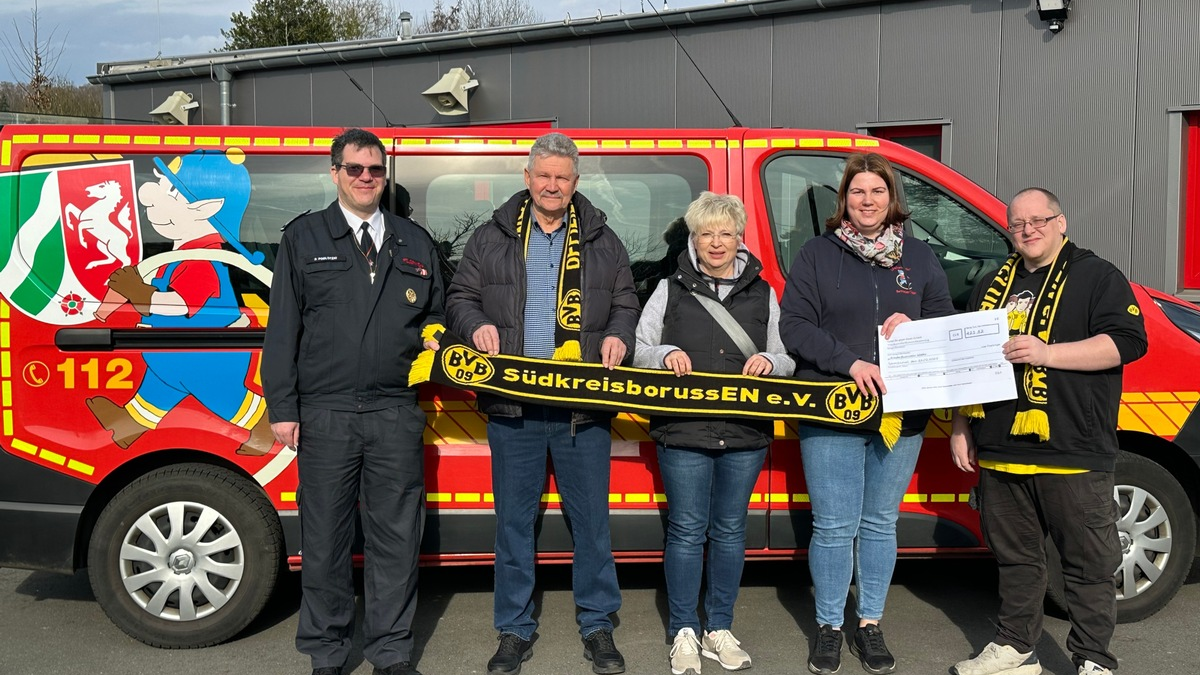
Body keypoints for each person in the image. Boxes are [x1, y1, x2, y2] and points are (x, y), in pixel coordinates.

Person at [445, 132, 640, 675]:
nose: (553, 185)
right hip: (514, 408)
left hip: (583, 409)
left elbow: (626, 302)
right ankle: (513, 630)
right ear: (527, 178)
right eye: (544, 175)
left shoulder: (604, 240)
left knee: (591, 523)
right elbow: (459, 298)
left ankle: (599, 626)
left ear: (575, 183)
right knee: (513, 523)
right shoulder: (490, 238)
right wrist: (477, 324)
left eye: (564, 177)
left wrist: (619, 334)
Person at [262, 128, 445, 675]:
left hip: (393, 411)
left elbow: (436, 314)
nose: (366, 178)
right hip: (326, 411)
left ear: (385, 176)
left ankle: (390, 652)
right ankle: (327, 650)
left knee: (396, 540)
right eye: (355, 169)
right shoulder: (304, 238)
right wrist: (283, 407)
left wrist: (436, 339)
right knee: (324, 541)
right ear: (335, 172)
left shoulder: (414, 242)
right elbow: (283, 330)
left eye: (375, 170)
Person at [949, 188, 1147, 675]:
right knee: (1016, 560)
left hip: (1072, 448)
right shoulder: (994, 281)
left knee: (1087, 565)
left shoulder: (1097, 275)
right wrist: (959, 424)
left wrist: (1048, 353)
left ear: (1062, 221)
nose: (1028, 230)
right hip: (1000, 448)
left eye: (1039, 220)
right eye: (1017, 223)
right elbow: (966, 360)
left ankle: (1093, 658)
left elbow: (1127, 342)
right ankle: (1017, 649)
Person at [779, 152, 955, 675]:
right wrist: (848, 361)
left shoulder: (920, 258)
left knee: (879, 523)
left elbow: (943, 319)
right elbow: (795, 326)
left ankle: (870, 624)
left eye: (877, 191)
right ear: (844, 201)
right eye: (858, 192)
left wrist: (916, 322)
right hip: (833, 406)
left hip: (902, 412)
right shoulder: (816, 253)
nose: (867, 201)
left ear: (892, 198)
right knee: (834, 526)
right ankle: (831, 626)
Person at [634, 192, 795, 675]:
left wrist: (772, 361)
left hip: (744, 431)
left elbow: (786, 357)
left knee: (729, 532)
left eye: (726, 232)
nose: (716, 242)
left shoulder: (764, 292)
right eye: (707, 233)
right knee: (685, 531)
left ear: (739, 237)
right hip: (682, 430)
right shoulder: (668, 288)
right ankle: (684, 629)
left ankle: (719, 627)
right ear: (694, 238)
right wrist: (663, 355)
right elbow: (640, 349)